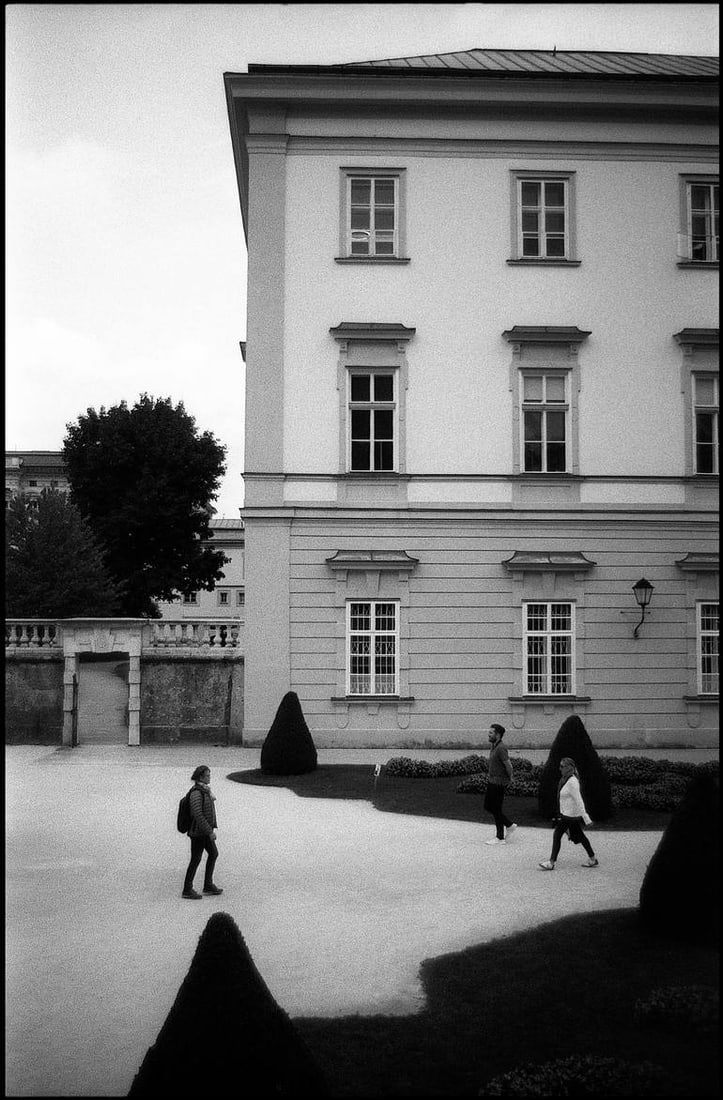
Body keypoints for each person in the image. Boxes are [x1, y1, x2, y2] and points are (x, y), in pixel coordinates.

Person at [538, 757, 599, 870]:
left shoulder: (572, 782)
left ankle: (551, 862)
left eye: (562, 766)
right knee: (580, 836)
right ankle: (593, 858)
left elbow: (579, 800)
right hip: (568, 815)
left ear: (569, 768)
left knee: (557, 834)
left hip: (569, 816)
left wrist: (586, 818)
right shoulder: (565, 780)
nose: (559, 768)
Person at [182, 765, 223, 899]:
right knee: (196, 859)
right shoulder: (196, 793)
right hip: (198, 833)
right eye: (207, 775)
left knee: (212, 854)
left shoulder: (205, 790)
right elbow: (198, 815)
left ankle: (207, 885)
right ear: (200, 777)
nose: (209, 778)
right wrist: (209, 831)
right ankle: (187, 889)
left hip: (203, 832)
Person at [484, 723, 517, 845]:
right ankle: (508, 826)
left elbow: (509, 766)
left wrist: (510, 778)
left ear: (497, 735)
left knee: (495, 808)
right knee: (489, 806)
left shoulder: (501, 748)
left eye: (491, 732)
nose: (489, 734)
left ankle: (500, 837)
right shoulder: (494, 746)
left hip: (499, 783)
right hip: (492, 781)